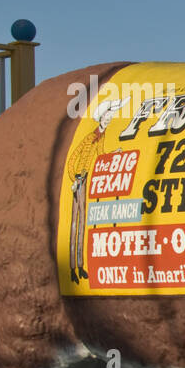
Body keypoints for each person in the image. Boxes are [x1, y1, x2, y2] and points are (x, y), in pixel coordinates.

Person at [66, 99, 122, 283]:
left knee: (82, 222)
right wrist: (74, 178)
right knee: (74, 223)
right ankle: (72, 267)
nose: (109, 119)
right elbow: (73, 158)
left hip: (86, 179)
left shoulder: (101, 137)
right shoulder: (90, 137)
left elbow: (101, 154)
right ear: (101, 118)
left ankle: (80, 265)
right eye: (107, 116)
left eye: (110, 117)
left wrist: (115, 153)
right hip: (78, 181)